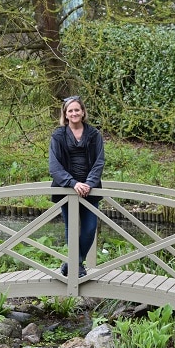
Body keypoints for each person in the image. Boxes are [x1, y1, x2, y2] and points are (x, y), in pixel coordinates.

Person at [48, 96, 105, 278]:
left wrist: (88, 183)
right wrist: (73, 183)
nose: (74, 113)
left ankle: (73, 263)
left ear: (83, 112)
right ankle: (76, 266)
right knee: (71, 228)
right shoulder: (58, 135)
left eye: (77, 110)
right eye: (70, 110)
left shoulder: (94, 134)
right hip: (67, 189)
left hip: (90, 188)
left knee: (90, 227)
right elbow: (54, 165)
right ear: (65, 114)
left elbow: (99, 161)